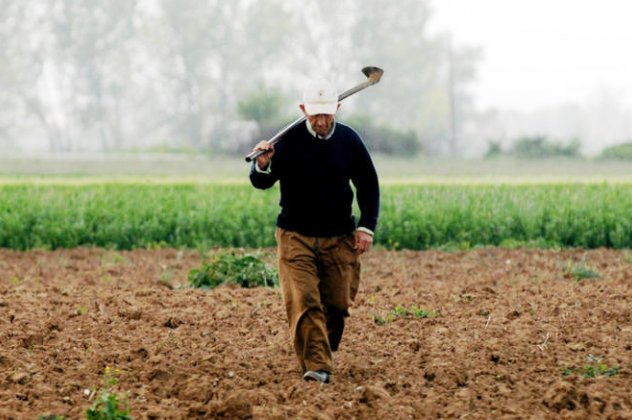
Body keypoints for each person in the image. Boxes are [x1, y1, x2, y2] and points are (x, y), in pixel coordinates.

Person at [249, 77, 380, 384]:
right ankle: (318, 366)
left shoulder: (349, 141)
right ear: (303, 109)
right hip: (296, 236)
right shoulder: (287, 142)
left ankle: (321, 348)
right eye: (315, 115)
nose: (321, 121)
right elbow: (261, 182)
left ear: (337, 108)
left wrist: (366, 227)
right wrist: (263, 164)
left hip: (339, 237)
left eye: (327, 114)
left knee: (336, 305)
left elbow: (368, 185)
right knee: (304, 300)